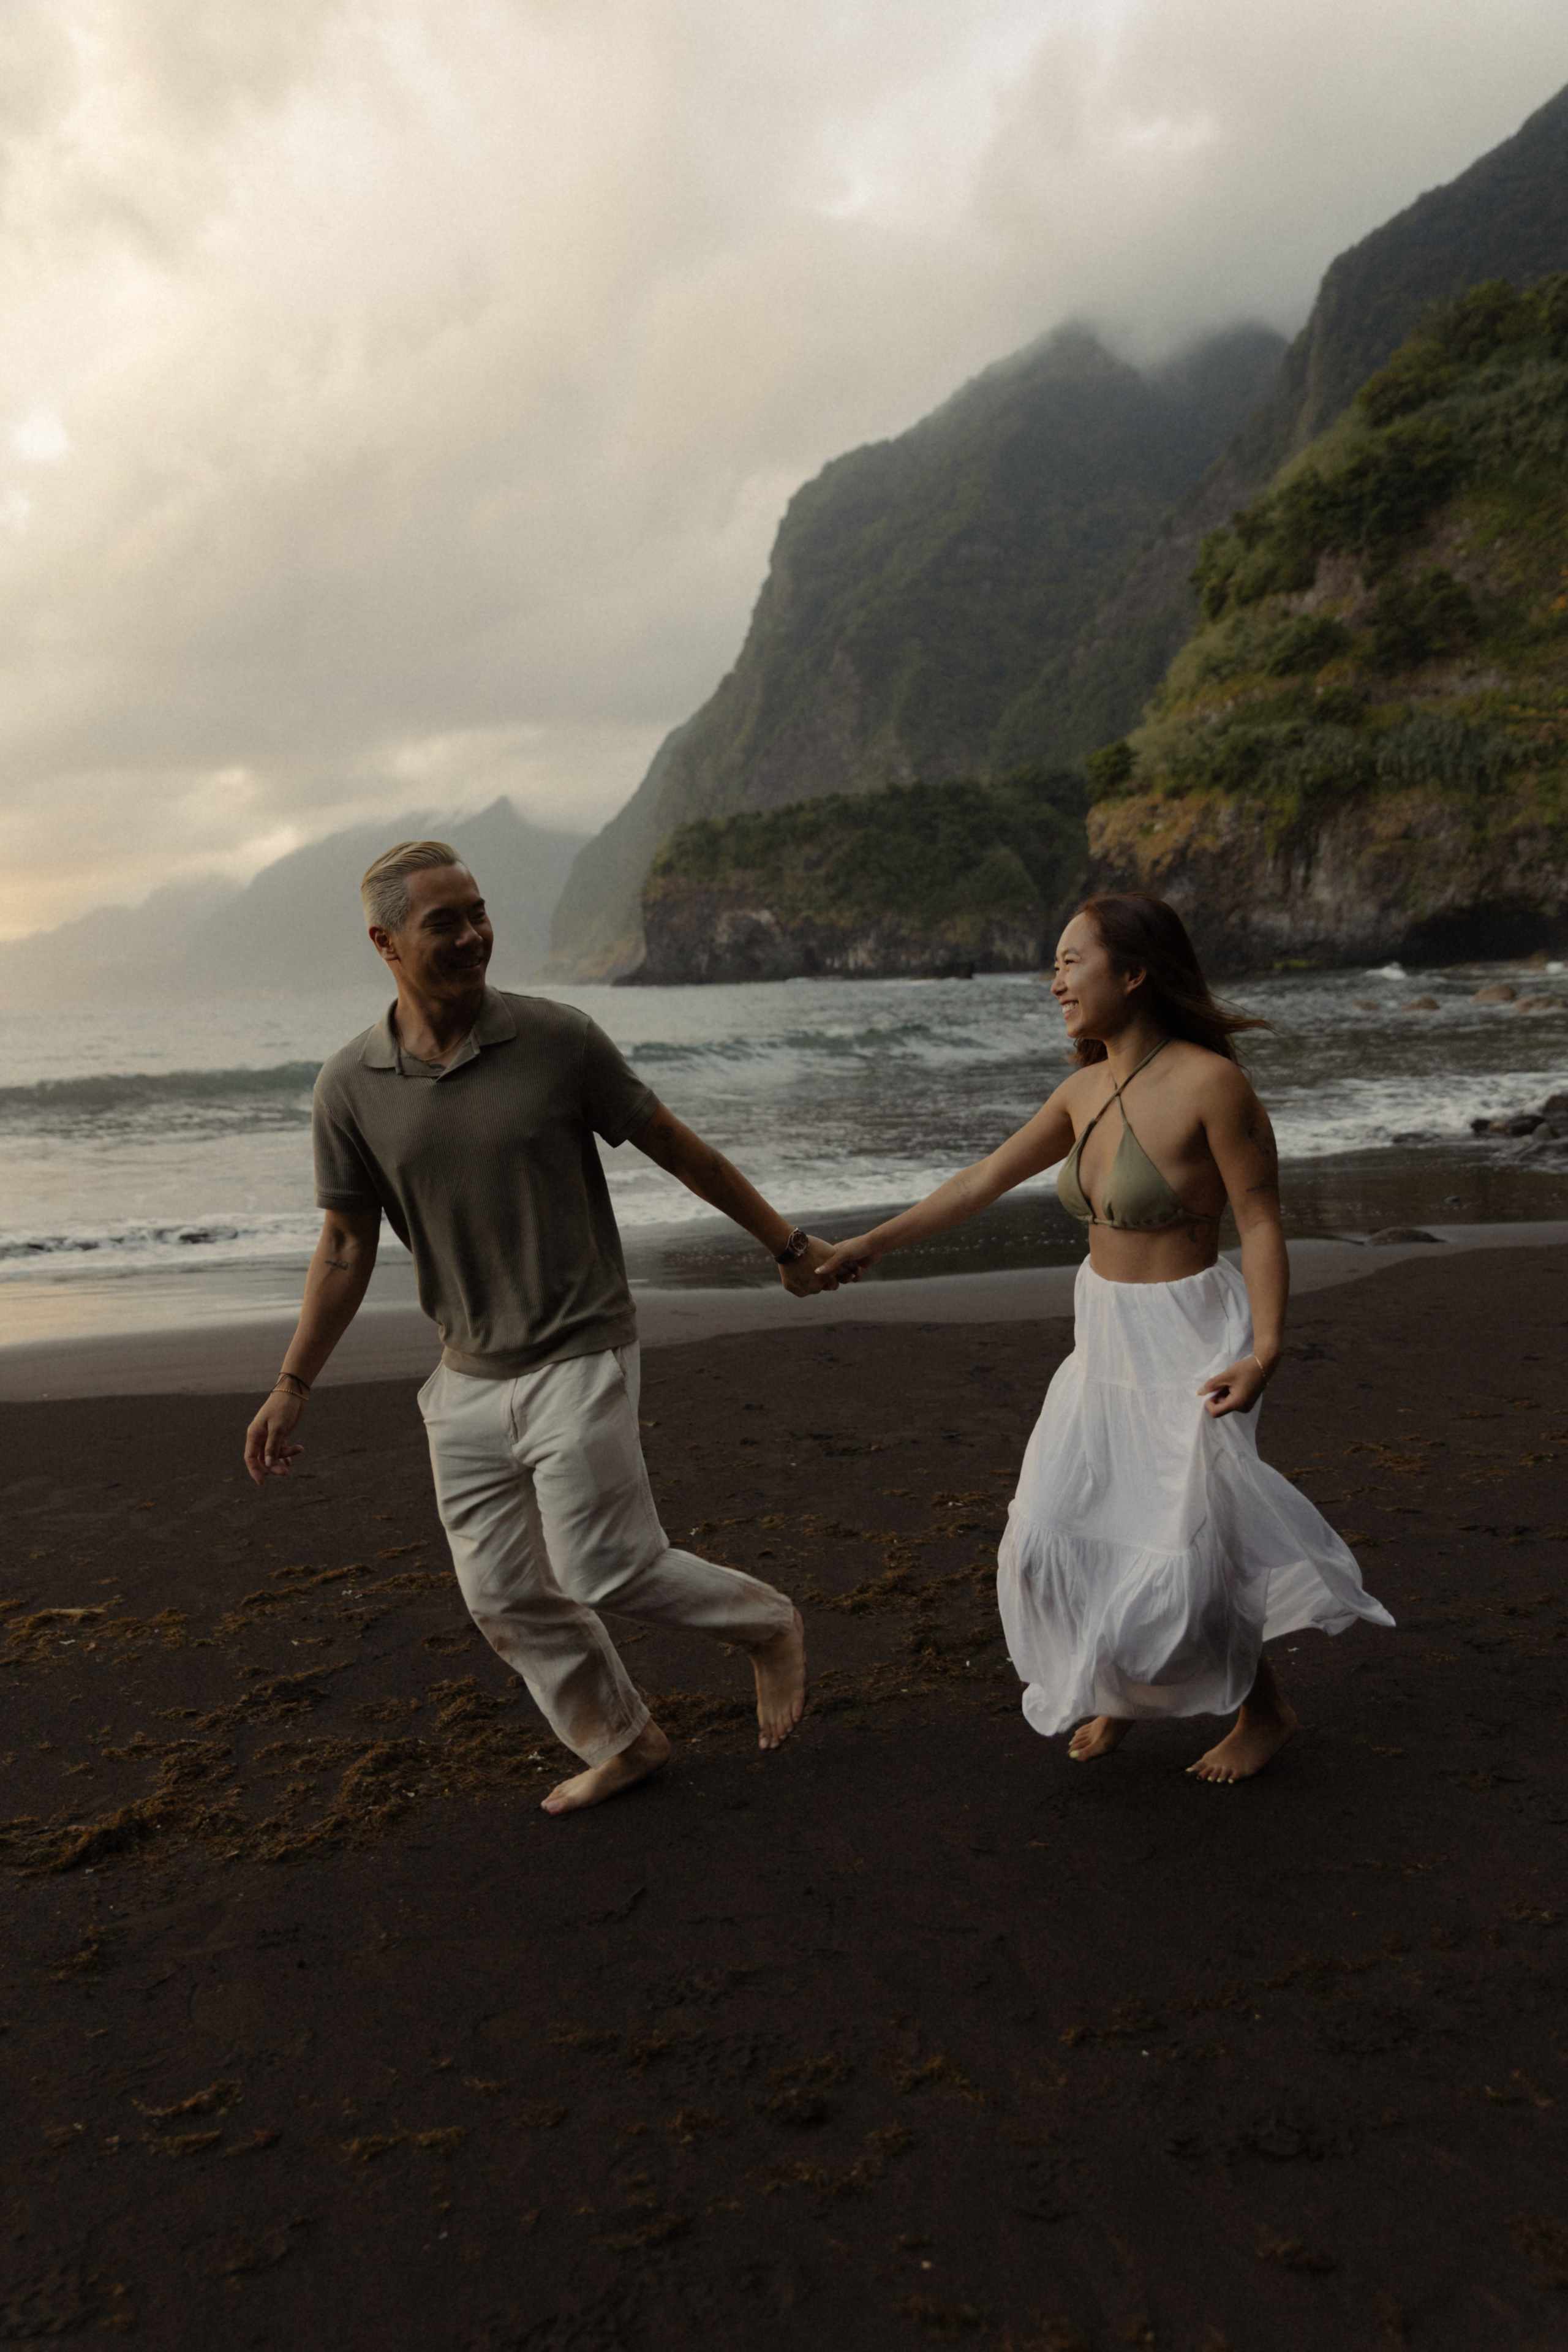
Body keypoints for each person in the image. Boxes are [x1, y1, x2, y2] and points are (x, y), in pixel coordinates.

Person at [243, 839, 830, 1815]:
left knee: (603, 1563)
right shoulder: (349, 1085)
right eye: (447, 922)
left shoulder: (559, 1039)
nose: (475, 935)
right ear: (386, 941)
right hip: (466, 1373)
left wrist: (786, 1242)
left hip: (580, 1345)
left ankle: (764, 1623)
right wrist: (293, 1382)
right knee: (503, 1594)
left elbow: (675, 1146)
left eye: (478, 912)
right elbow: (346, 1246)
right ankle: (625, 1740)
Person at [819, 892, 1392, 1784]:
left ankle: (1265, 1709)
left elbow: (1262, 1222)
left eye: (1070, 961)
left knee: (1187, 1549)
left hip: (1190, 1337)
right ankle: (1123, 1688)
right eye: (1054, 964)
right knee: (1056, 1530)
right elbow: (981, 1181)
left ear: (1134, 973)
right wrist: (867, 1244)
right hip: (1103, 1339)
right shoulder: (1083, 1089)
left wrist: (1267, 1350)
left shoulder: (1211, 1084)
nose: (1055, 981)